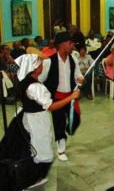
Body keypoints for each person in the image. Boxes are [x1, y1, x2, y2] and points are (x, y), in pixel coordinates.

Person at [0, 54, 80, 190]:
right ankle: (30, 179)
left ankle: (32, 176)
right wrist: (71, 97)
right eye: (40, 65)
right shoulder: (34, 87)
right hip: (36, 120)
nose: (42, 66)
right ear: (34, 68)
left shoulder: (24, 79)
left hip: (28, 116)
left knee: (34, 147)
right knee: (43, 152)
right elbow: (51, 106)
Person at [39, 31, 84, 162]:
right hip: (57, 98)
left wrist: (81, 79)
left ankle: (64, 134)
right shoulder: (49, 62)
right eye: (70, 43)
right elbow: (40, 79)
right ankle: (61, 147)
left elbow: (78, 75)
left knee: (75, 121)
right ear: (62, 45)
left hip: (70, 96)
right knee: (59, 122)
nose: (73, 46)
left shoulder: (73, 59)